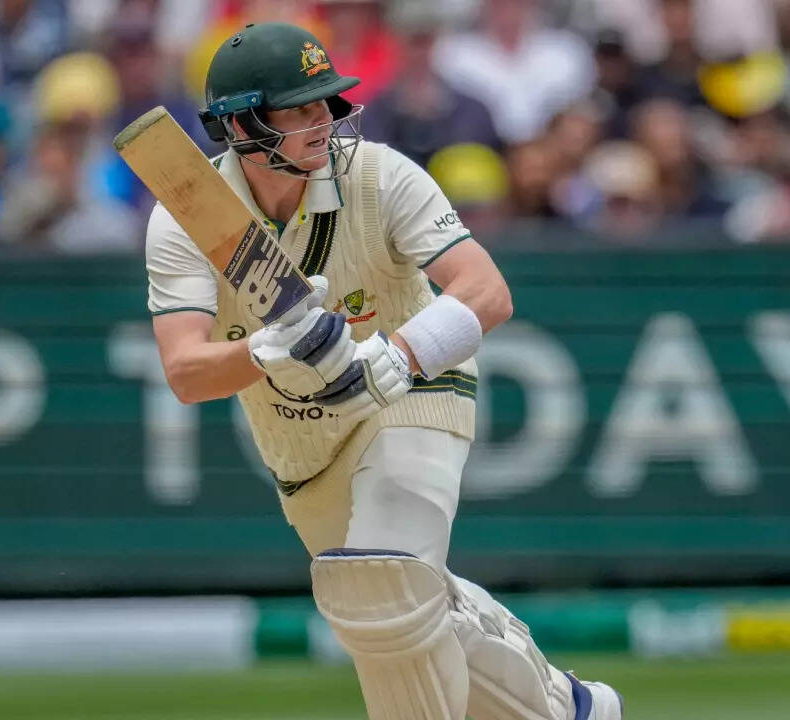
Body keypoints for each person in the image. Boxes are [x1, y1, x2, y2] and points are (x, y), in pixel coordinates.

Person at [142, 21, 622, 720]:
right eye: (300, 108)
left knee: (384, 588)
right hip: (301, 443)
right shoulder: (185, 220)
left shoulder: (378, 174)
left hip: (414, 392)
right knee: (399, 605)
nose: (323, 120)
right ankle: (568, 709)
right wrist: (266, 350)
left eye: (325, 102)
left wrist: (396, 356)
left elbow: (487, 292)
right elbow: (186, 373)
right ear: (243, 124)